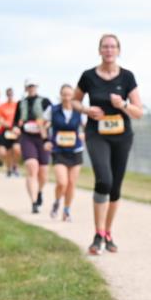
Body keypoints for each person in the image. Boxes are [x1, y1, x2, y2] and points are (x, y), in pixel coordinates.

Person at [74, 33, 143, 254]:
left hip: (122, 136)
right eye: (105, 47)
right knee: (104, 179)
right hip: (97, 133)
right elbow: (74, 101)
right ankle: (97, 233)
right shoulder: (88, 76)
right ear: (99, 50)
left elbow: (138, 111)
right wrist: (86, 109)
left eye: (113, 47)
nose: (109, 50)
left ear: (118, 50)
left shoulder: (127, 77)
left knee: (115, 186)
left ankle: (107, 232)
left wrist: (122, 104)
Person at [13, 79, 53, 213]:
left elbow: (52, 117)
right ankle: (34, 202)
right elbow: (15, 122)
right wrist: (16, 129)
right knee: (32, 167)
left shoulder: (45, 101)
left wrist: (46, 125)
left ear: (37, 87)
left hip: (42, 138)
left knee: (43, 173)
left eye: (33, 86)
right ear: (25, 88)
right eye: (29, 86)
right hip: (27, 137)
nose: (31, 88)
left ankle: (39, 191)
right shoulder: (21, 103)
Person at [48, 84, 84, 221]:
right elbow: (43, 124)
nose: (67, 97)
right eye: (64, 94)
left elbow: (87, 126)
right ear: (60, 95)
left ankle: (67, 210)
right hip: (59, 150)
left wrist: (84, 135)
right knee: (62, 182)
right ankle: (57, 202)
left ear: (73, 96)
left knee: (71, 183)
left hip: (76, 150)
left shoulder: (79, 110)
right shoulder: (53, 110)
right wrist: (47, 140)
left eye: (69, 94)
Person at [0, 87, 20, 176]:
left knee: (17, 149)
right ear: (6, 95)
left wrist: (16, 127)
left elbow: (20, 119)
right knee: (4, 152)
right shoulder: (2, 107)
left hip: (16, 131)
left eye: (11, 94)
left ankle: (15, 165)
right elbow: (0, 120)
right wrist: (10, 126)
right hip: (5, 131)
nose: (10, 96)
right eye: (8, 94)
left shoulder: (17, 105)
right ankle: (9, 168)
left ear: (13, 94)